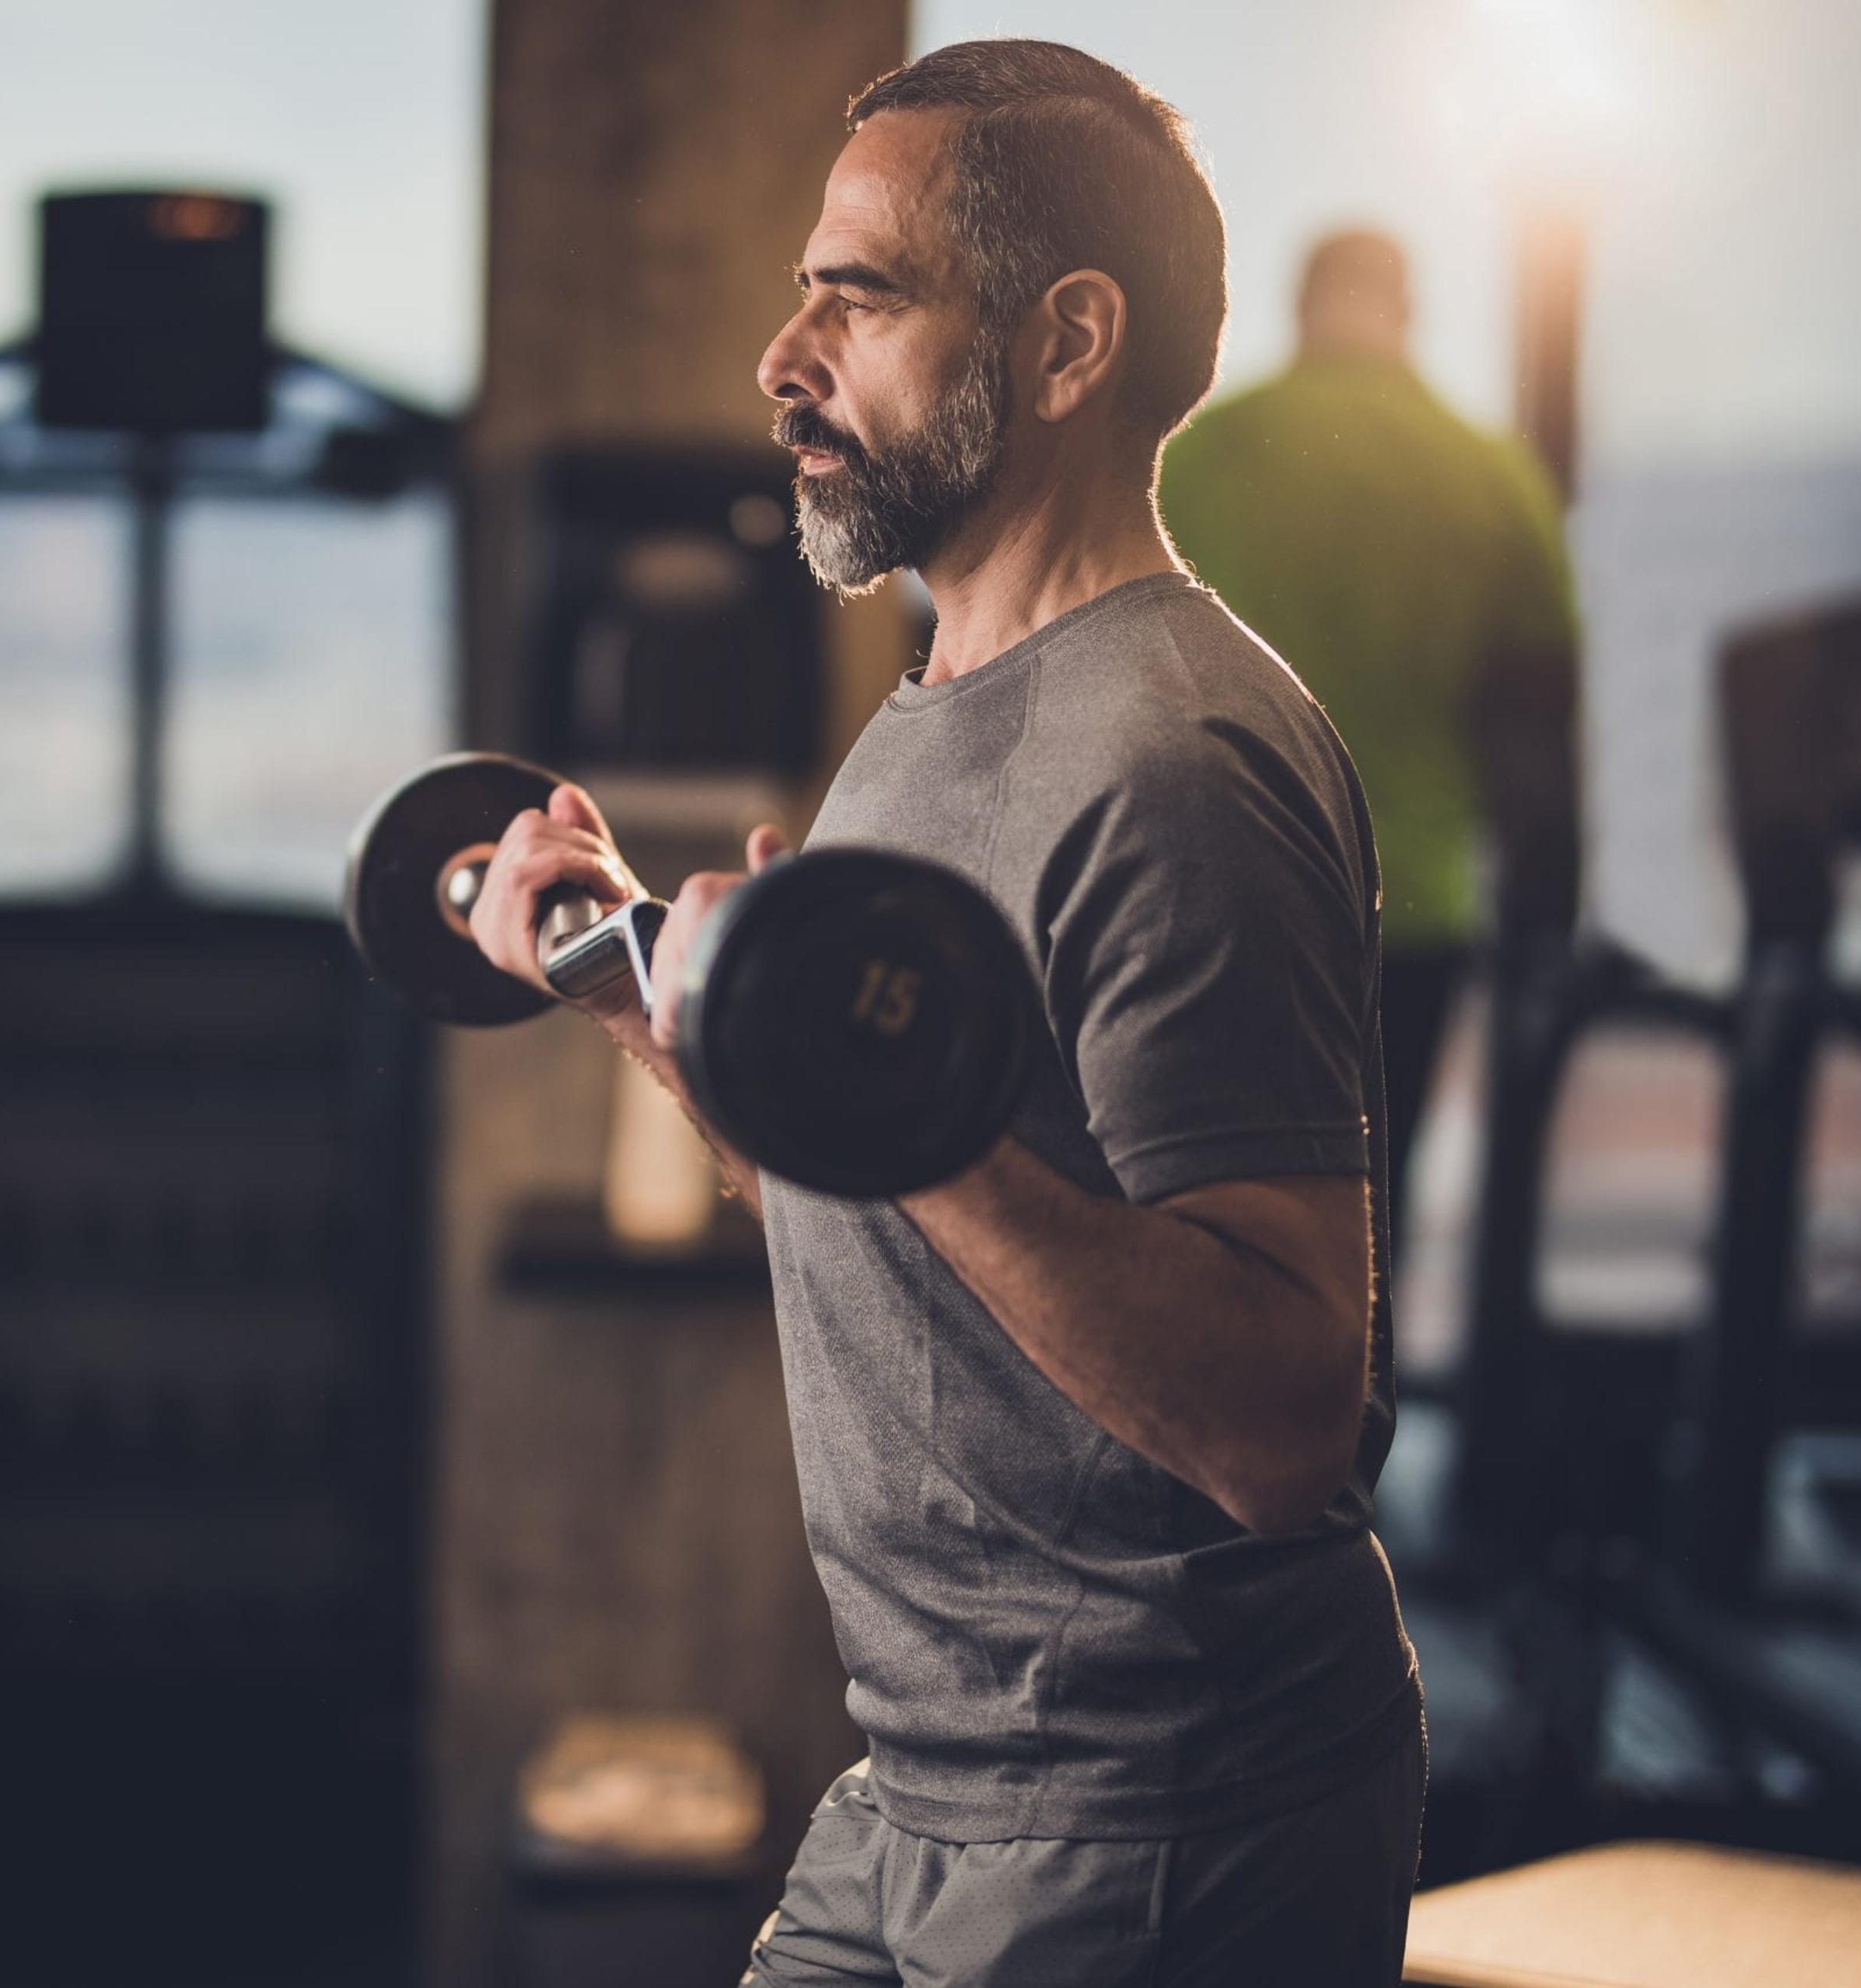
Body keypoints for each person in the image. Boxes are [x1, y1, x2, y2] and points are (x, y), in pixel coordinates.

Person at [467, 40, 1422, 1985]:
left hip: (1159, 1810)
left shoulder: (1171, 757)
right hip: (926, 1777)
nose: (781, 352)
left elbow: (1281, 1415)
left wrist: (877, 1095)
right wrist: (636, 985)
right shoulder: (925, 715)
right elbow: (871, 1179)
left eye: (862, 292)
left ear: (1066, 342)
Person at [1160, 227, 1582, 1226]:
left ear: (1302, 306)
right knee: (1360, 1234)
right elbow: (1537, 750)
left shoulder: (1194, 458)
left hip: (1200, 899)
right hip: (1405, 919)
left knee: (1188, 1225)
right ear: (1407, 312)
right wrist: (1544, 954)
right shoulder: (1495, 476)